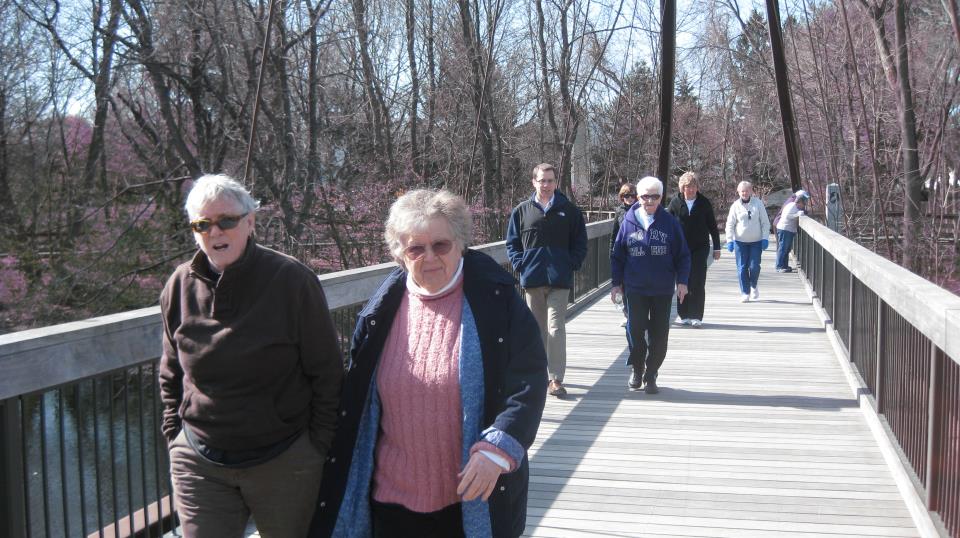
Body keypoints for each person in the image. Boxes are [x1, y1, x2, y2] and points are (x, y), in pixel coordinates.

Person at [310, 189, 548, 538]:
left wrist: (499, 448)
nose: (430, 257)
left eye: (441, 245)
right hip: (390, 501)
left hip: (469, 500)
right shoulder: (379, 314)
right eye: (415, 248)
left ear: (461, 244)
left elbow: (527, 382)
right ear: (400, 255)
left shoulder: (498, 303)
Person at [159, 174, 343, 538]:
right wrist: (174, 434)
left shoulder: (291, 280)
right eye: (203, 224)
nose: (216, 232)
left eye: (227, 221)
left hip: (283, 457)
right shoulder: (179, 285)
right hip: (200, 459)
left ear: (250, 222)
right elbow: (170, 371)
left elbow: (328, 372)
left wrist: (315, 445)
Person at [505, 163, 587, 398]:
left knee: (556, 327)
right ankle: (537, 375)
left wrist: (572, 263)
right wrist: (521, 264)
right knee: (536, 329)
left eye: (550, 181)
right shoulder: (522, 211)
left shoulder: (569, 211)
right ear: (534, 182)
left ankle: (556, 379)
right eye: (542, 180)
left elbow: (580, 242)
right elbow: (512, 243)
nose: (546, 185)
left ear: (556, 183)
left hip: (559, 279)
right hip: (533, 279)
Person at [610, 176, 690, 394]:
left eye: (654, 197)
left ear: (661, 197)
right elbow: (617, 255)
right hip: (634, 287)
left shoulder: (670, 223)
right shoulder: (628, 220)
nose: (650, 201)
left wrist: (682, 282)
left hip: (662, 289)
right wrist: (616, 283)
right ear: (638, 197)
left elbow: (683, 255)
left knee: (659, 335)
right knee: (634, 331)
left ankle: (651, 373)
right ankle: (637, 367)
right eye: (645, 196)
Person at [666, 172, 721, 327]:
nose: (690, 190)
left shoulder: (704, 203)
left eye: (693, 187)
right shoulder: (675, 203)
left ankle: (696, 315)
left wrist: (717, 247)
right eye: (687, 187)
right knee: (682, 280)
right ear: (682, 188)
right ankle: (683, 314)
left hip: (700, 248)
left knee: (697, 280)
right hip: (680, 248)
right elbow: (666, 223)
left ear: (697, 188)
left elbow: (712, 226)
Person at [724, 181, 771, 302]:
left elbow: (765, 222)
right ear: (738, 192)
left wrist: (765, 238)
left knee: (754, 266)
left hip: (756, 241)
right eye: (742, 191)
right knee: (742, 267)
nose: (744, 193)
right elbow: (730, 224)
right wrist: (729, 240)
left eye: (747, 190)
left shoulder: (758, 203)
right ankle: (745, 292)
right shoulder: (735, 206)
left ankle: (753, 285)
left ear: (751, 191)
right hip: (740, 242)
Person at [611, 183, 637, 328]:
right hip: (621, 255)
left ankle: (636, 315)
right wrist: (612, 252)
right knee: (621, 287)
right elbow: (614, 234)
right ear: (622, 197)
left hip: (635, 254)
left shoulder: (640, 210)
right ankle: (627, 315)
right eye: (627, 195)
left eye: (633, 195)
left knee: (632, 287)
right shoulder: (619, 212)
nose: (630, 198)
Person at [775, 190, 810, 272]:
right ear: (800, 201)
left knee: (787, 249)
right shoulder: (792, 205)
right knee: (783, 248)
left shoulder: (796, 207)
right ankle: (779, 266)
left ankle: (784, 266)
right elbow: (787, 216)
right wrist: (797, 214)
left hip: (789, 230)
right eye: (804, 202)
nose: (805, 204)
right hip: (784, 229)